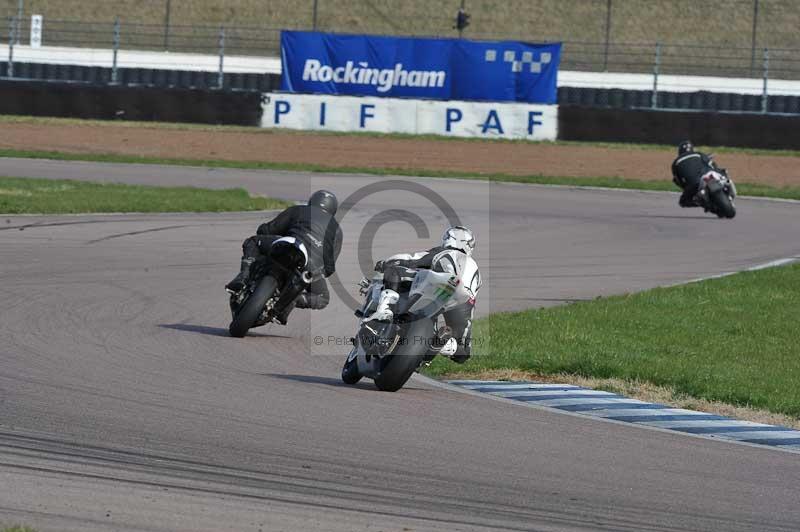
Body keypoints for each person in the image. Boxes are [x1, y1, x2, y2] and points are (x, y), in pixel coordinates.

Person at [367, 226, 481, 364]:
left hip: (442, 282)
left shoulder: (445, 252)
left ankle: (384, 311)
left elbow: (411, 259)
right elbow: (471, 301)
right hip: (463, 299)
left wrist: (386, 263)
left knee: (394, 271)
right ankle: (441, 344)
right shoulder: (476, 271)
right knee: (463, 351)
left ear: (447, 239)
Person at [225, 190, 343, 324]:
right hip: (310, 265)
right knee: (322, 298)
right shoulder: (337, 230)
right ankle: (291, 301)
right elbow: (329, 267)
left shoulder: (299, 210)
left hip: (287, 247)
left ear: (312, 201)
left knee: (252, 242)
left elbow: (269, 229)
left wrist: (264, 230)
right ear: (333, 210)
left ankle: (243, 276)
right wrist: (316, 273)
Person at [671, 140, 726, 208]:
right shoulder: (698, 154)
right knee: (722, 171)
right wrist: (718, 170)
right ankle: (724, 180)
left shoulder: (675, 163)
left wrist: (687, 189)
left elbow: (678, 181)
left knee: (682, 202)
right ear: (692, 149)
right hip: (706, 175)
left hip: (694, 184)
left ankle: (701, 203)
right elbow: (710, 163)